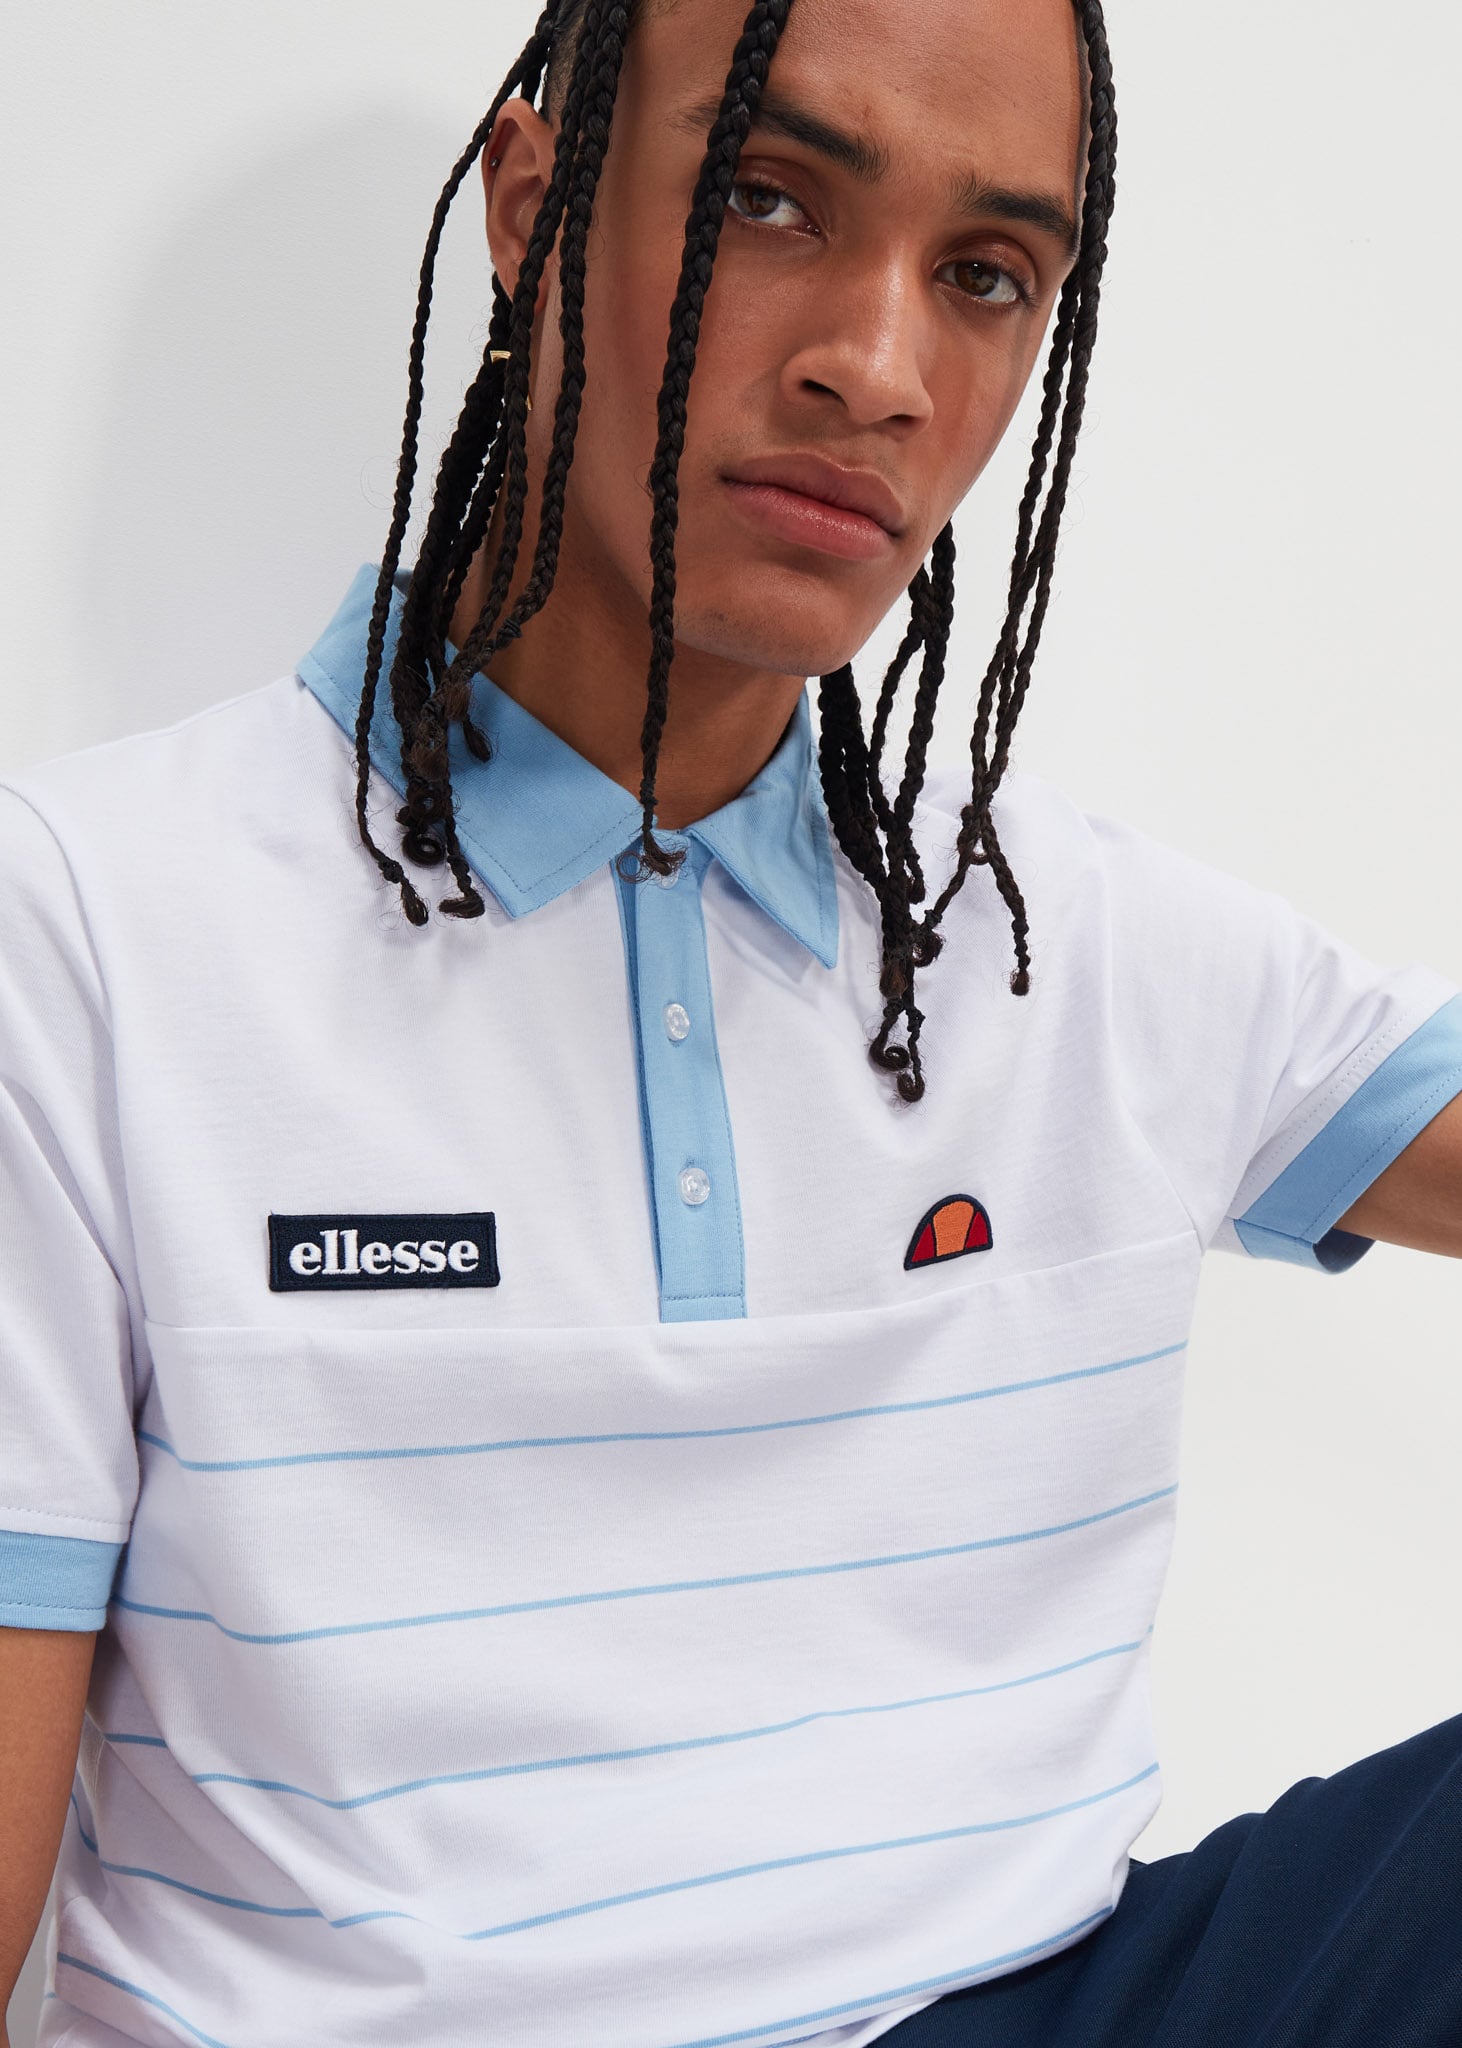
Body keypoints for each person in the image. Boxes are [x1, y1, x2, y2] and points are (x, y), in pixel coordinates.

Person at [2, 0, 1459, 2044]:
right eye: (769, 199)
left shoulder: (1063, 935)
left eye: (984, 275)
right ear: (534, 206)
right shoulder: (82, 930)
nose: (878, 367)